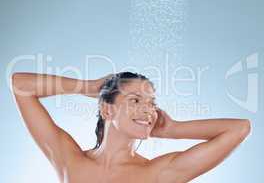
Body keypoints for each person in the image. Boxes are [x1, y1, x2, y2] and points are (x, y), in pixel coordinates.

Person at [11, 71, 251, 183]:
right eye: (135, 100)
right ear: (108, 110)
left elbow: (238, 129)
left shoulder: (159, 173)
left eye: (152, 104)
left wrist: (173, 130)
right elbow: (20, 85)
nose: (148, 110)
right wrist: (89, 86)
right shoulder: (70, 160)